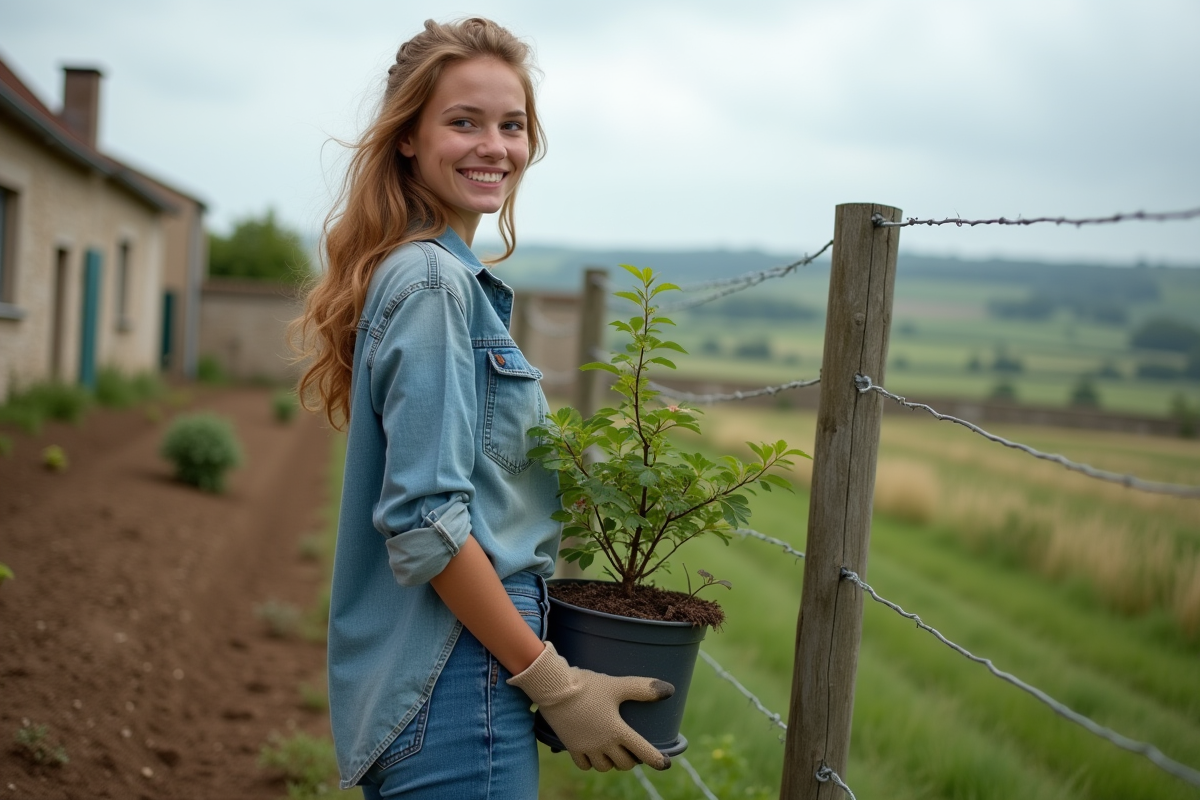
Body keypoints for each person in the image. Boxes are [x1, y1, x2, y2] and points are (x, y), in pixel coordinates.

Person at [293, 17, 673, 799]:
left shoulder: (424, 273)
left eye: (512, 125)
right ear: (408, 136)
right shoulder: (433, 283)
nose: (492, 146)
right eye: (461, 122)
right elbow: (427, 524)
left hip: (446, 669)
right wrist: (557, 687)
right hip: (460, 673)